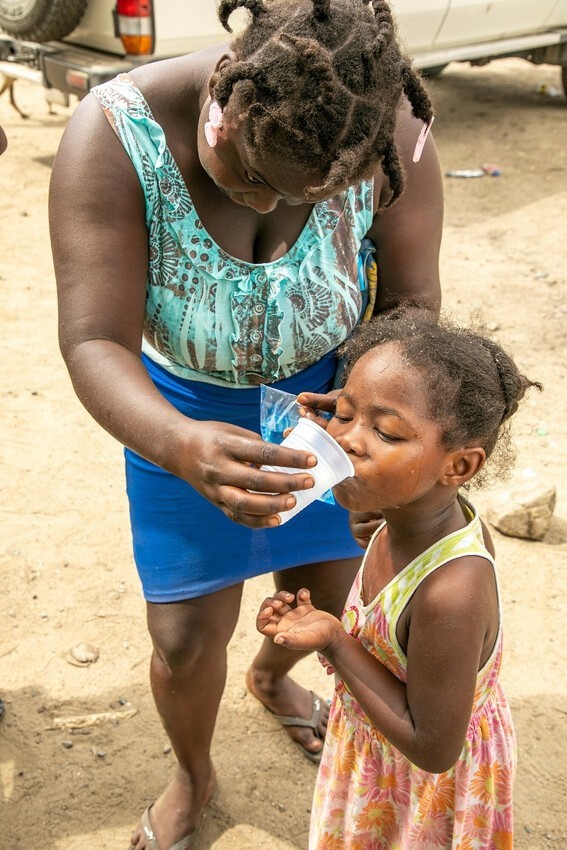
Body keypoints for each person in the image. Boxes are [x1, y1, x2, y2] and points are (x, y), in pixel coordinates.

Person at [49, 1, 443, 847]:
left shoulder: (380, 124)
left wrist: (370, 428)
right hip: (177, 414)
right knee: (186, 639)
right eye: (257, 183)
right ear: (221, 117)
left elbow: (412, 297)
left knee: (333, 602)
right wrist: (181, 445)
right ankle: (194, 774)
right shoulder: (117, 133)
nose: (277, 205)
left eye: (320, 197)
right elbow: (93, 340)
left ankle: (271, 676)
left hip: (337, 408)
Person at [257, 308, 541, 849]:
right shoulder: (407, 516)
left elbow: (434, 748)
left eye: (386, 431)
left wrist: (336, 641)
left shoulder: (449, 594)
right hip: (375, 762)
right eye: (341, 413)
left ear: (457, 467)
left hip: (420, 791)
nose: (347, 440)